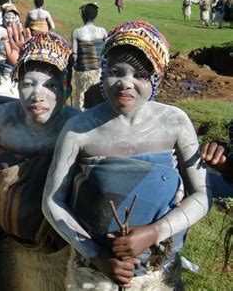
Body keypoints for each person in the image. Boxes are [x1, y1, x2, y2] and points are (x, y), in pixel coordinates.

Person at [43, 21, 211, 290]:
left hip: (158, 272)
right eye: (115, 72)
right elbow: (52, 202)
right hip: (94, 275)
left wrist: (155, 232)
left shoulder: (175, 123)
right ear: (102, 72)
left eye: (140, 75)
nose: (125, 83)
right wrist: (98, 256)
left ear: (156, 78)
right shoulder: (80, 129)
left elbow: (202, 196)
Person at [0, 32, 78, 290]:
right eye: (28, 84)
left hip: (59, 252)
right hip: (6, 244)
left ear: (66, 87)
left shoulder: (77, 126)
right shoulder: (1, 120)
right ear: (16, 82)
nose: (37, 95)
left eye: (51, 86)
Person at [70, 3, 107, 110]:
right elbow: (106, 52)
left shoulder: (77, 32)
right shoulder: (103, 31)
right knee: (99, 100)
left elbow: (75, 54)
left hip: (83, 74)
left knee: (82, 101)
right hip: (99, 72)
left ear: (83, 15)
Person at [0, 3, 20, 85]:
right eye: (7, 17)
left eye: (13, 18)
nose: (10, 20)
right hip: (1, 71)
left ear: (16, 19)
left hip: (14, 71)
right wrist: (2, 60)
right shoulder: (0, 30)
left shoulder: (18, 31)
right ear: (2, 18)